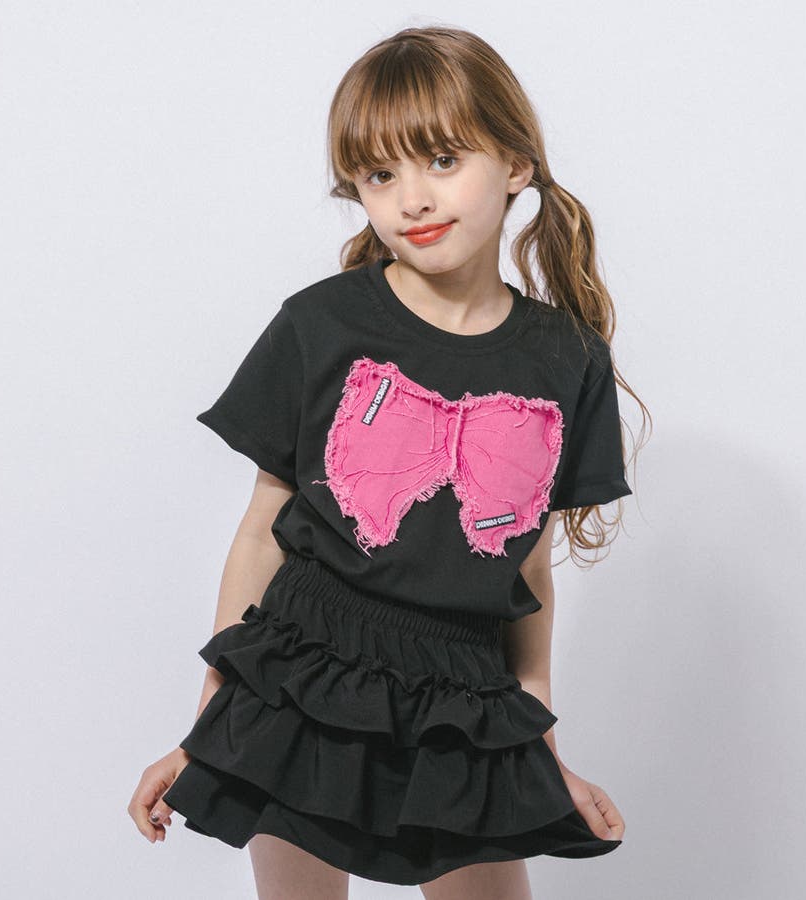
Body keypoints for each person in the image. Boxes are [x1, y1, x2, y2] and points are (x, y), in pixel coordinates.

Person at [128, 24, 649, 899]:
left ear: (516, 163)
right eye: (378, 175)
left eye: (442, 159)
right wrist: (210, 722)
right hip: (303, 674)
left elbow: (525, 569)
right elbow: (262, 530)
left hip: (465, 693)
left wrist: (538, 748)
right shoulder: (321, 325)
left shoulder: (566, 360)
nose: (411, 198)